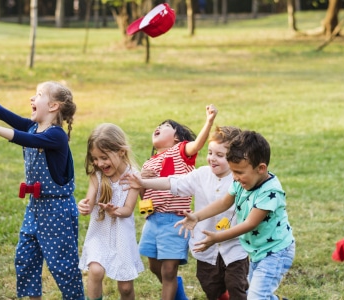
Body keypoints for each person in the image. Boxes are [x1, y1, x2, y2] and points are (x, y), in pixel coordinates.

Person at [0, 76, 84, 299]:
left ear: (53, 106)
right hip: (35, 208)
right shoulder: (33, 126)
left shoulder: (56, 135)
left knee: (63, 267)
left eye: (39, 95)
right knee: (26, 260)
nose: (32, 97)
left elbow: (25, 140)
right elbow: (1, 111)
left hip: (57, 211)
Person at [122, 126, 249, 300]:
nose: (212, 159)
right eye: (210, 153)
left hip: (234, 246)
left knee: (237, 286)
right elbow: (172, 182)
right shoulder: (202, 174)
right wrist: (143, 182)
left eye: (220, 155)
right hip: (206, 248)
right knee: (210, 286)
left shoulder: (240, 179)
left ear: (234, 158)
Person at [176, 130, 295, 299]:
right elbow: (224, 202)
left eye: (239, 172)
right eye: (233, 171)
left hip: (275, 252)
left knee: (256, 297)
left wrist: (218, 237)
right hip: (257, 251)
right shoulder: (240, 183)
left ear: (261, 168)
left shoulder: (270, 192)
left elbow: (250, 224)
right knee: (257, 294)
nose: (235, 177)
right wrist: (197, 216)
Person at [137, 104, 217, 299]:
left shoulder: (181, 152)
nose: (159, 127)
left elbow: (197, 144)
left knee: (169, 270)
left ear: (177, 138)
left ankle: (172, 285)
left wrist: (209, 121)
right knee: (155, 267)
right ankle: (178, 292)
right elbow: (143, 196)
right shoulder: (149, 162)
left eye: (165, 125)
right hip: (152, 220)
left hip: (175, 221)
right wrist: (141, 179)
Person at [77, 123, 144, 300]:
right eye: (95, 158)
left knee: (126, 288)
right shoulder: (97, 176)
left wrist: (116, 211)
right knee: (95, 271)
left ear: (121, 152)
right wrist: (84, 206)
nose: (99, 163)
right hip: (100, 233)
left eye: (104, 157)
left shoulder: (133, 177)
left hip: (122, 236)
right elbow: (89, 203)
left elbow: (128, 210)